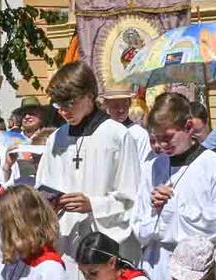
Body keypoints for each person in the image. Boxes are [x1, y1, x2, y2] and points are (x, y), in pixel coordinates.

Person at [35, 61, 141, 265]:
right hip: (64, 241)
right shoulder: (56, 138)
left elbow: (131, 197)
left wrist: (93, 204)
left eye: (70, 104)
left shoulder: (116, 135)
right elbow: (43, 185)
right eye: (59, 106)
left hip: (103, 243)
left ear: (90, 96)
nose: (64, 112)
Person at [133, 91, 216, 280]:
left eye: (168, 137)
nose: (162, 145)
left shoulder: (214, 165)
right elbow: (138, 224)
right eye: (157, 138)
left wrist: (173, 210)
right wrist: (155, 210)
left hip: (197, 270)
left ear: (188, 127)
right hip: (157, 266)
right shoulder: (152, 167)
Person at [102, 86, 154, 163]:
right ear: (107, 105)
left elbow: (144, 165)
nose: (121, 110)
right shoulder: (101, 132)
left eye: (125, 104)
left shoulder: (139, 134)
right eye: (115, 106)